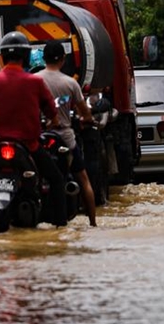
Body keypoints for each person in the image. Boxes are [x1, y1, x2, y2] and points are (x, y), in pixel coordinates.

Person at [0, 32, 67, 226]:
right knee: (57, 179)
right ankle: (61, 226)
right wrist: (54, 121)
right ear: (26, 57)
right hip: (29, 146)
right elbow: (52, 112)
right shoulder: (35, 82)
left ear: (2, 56)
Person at [36, 40, 98, 227]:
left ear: (44, 58)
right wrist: (87, 120)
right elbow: (85, 113)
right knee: (84, 179)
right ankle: (93, 223)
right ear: (63, 60)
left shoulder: (34, 80)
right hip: (65, 139)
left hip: (39, 138)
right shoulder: (70, 83)